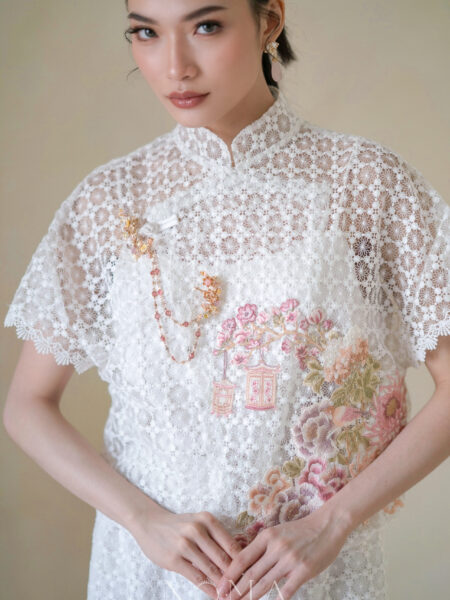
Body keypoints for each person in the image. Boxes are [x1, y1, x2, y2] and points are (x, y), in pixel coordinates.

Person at [3, 1, 449, 599]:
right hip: (147, 572)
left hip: (308, 574)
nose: (175, 66)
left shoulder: (364, 183)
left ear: (270, 21)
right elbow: (27, 405)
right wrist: (141, 519)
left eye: (206, 26)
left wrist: (333, 521)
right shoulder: (108, 202)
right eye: (146, 33)